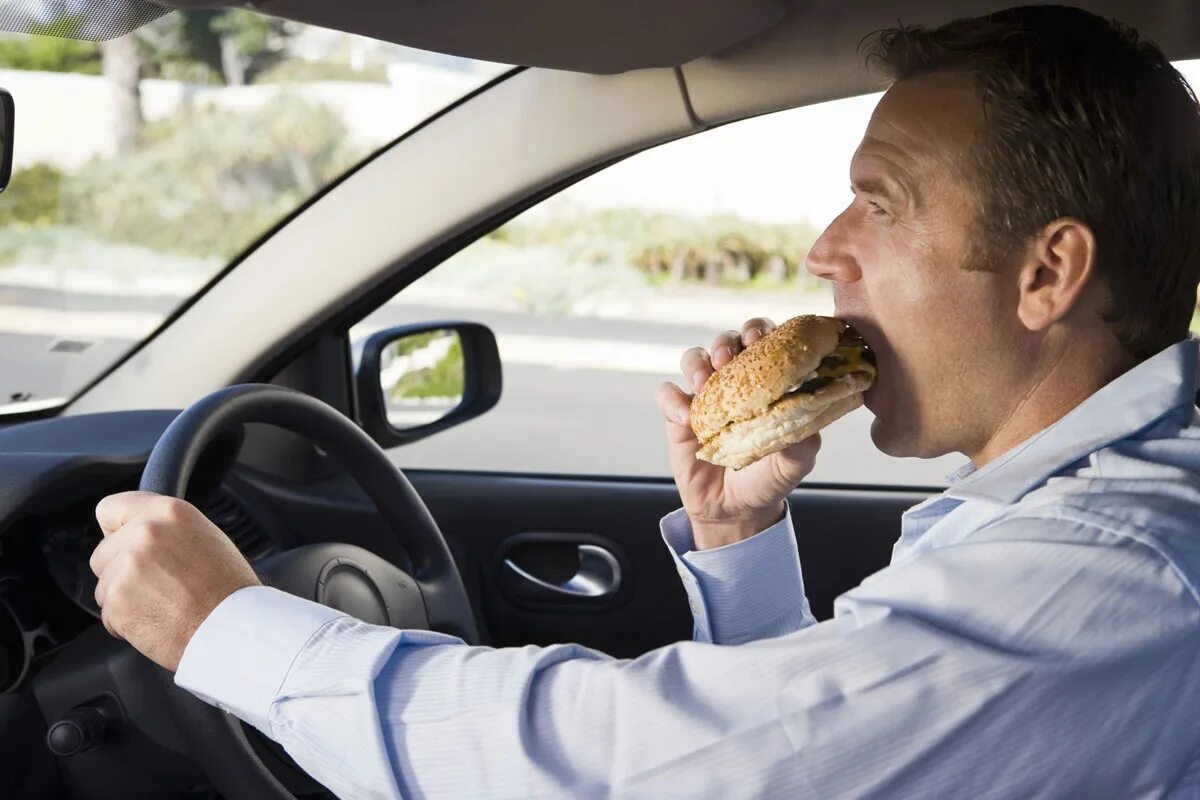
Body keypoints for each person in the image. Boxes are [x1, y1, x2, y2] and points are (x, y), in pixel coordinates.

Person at [88, 5, 1200, 798]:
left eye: (881, 202)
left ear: (1047, 273)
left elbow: (648, 764)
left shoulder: (1106, 570)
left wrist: (232, 630)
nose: (825, 248)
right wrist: (738, 530)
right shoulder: (1076, 513)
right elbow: (829, 744)